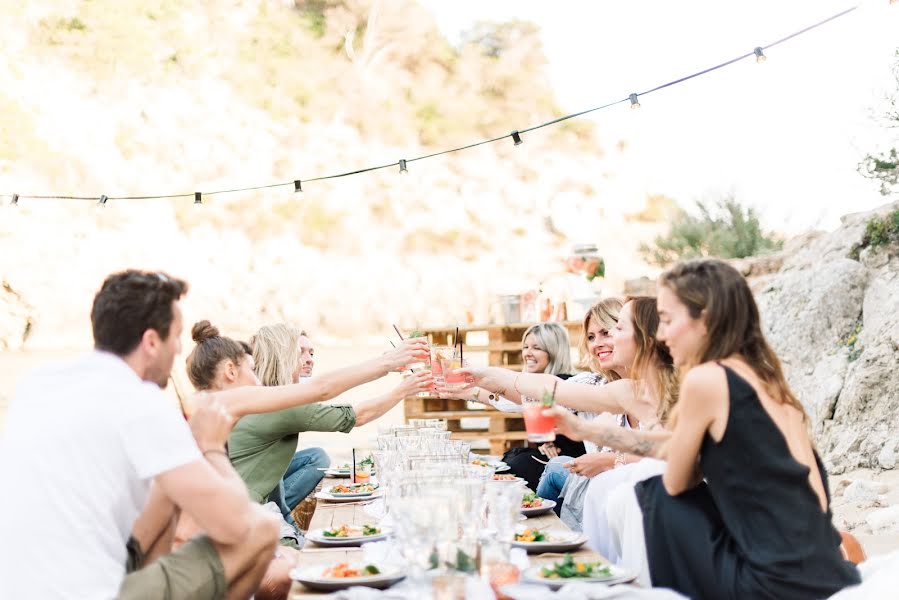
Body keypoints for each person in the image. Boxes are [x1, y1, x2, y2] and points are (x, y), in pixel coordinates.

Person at [551, 259, 861, 599]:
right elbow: (673, 444)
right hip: (817, 568)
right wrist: (587, 430)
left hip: (771, 580)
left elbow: (676, 478)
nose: (662, 334)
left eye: (668, 320)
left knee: (652, 493)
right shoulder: (766, 381)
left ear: (704, 320)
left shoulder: (706, 379)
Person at [0, 270, 283, 600]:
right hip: (89, 592)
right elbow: (236, 525)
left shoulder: (40, 382)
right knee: (262, 528)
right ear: (151, 342)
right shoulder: (141, 401)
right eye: (176, 336)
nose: (179, 349)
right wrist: (211, 446)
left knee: (167, 489)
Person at [222, 323, 432, 524]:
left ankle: (286, 521)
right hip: (240, 517)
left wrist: (385, 365)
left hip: (233, 504)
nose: (308, 360)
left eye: (311, 353)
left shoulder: (256, 395)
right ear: (283, 356)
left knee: (316, 456)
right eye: (298, 353)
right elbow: (353, 411)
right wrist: (402, 386)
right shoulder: (280, 405)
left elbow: (325, 388)